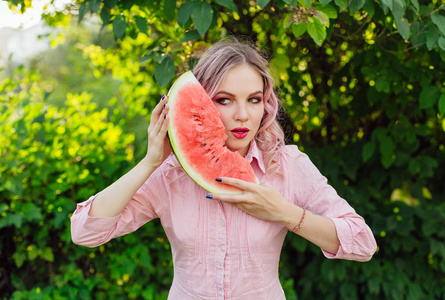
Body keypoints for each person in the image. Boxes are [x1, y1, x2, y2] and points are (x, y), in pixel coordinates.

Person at [71, 38, 377, 299]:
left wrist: (283, 212)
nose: (242, 115)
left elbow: (362, 242)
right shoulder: (170, 174)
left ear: (265, 104)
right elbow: (84, 231)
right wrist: (151, 161)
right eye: (224, 100)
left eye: (254, 100)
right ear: (200, 104)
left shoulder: (285, 165)